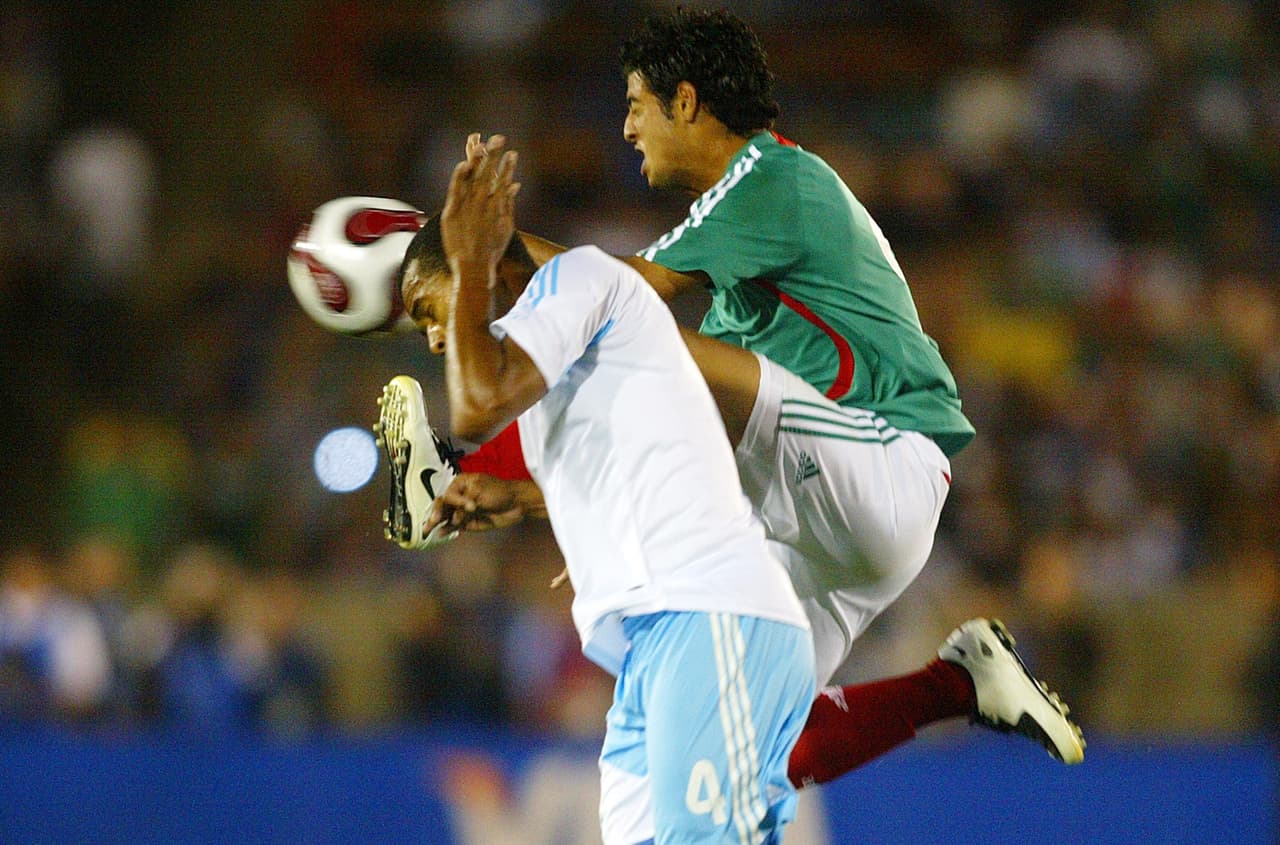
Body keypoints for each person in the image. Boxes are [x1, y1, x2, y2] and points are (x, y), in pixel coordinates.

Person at [390, 4, 1083, 783]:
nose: (626, 130)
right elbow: (628, 332)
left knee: (622, 334)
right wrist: (555, 498)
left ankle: (451, 466)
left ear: (685, 101)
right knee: (742, 756)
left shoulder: (773, 177)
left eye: (635, 106)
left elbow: (615, 296)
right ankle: (959, 682)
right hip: (831, 525)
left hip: (881, 462)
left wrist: (481, 255)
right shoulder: (737, 278)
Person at [388, 133, 816, 843]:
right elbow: (646, 458)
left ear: (484, 264)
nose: (436, 338)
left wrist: (464, 262)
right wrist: (526, 498)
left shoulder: (579, 279)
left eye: (431, 311)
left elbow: (472, 405)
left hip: (712, 615)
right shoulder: (555, 362)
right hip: (652, 646)